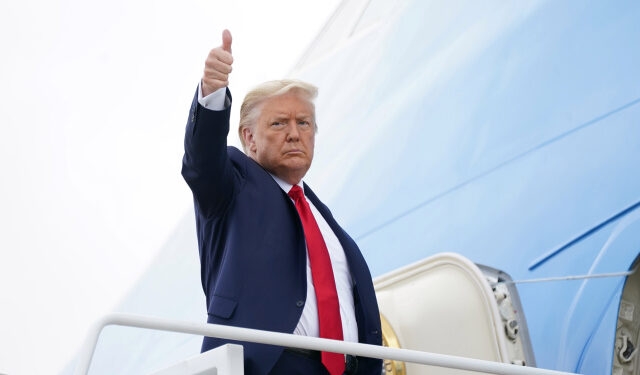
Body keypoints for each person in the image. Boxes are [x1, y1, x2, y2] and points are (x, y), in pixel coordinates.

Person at [181, 29, 382, 375]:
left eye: (304, 123)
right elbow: (202, 164)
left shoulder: (322, 217)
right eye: (279, 123)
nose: (294, 133)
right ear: (249, 138)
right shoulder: (233, 185)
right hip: (272, 366)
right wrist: (212, 94)